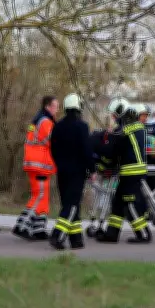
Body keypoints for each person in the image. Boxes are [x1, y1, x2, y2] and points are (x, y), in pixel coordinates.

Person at [96, 101, 152, 244]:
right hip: (134, 171)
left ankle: (144, 234)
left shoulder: (123, 130)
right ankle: (112, 234)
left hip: (131, 172)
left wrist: (101, 163)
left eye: (114, 115)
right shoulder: (136, 126)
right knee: (118, 203)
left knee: (130, 203)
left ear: (120, 113)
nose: (113, 118)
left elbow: (112, 153)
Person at [48, 93, 96, 250]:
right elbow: (86, 150)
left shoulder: (57, 126)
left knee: (68, 204)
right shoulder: (82, 126)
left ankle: (76, 239)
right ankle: (58, 235)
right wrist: (92, 169)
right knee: (73, 205)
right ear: (78, 108)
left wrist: (59, 164)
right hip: (77, 171)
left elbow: (53, 149)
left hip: (62, 171)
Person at [13, 95, 58, 241]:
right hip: (40, 165)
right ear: (47, 106)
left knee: (43, 198)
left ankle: (39, 229)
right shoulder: (45, 122)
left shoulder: (38, 120)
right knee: (39, 197)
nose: (57, 110)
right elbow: (53, 142)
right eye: (55, 106)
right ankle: (22, 226)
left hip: (36, 164)